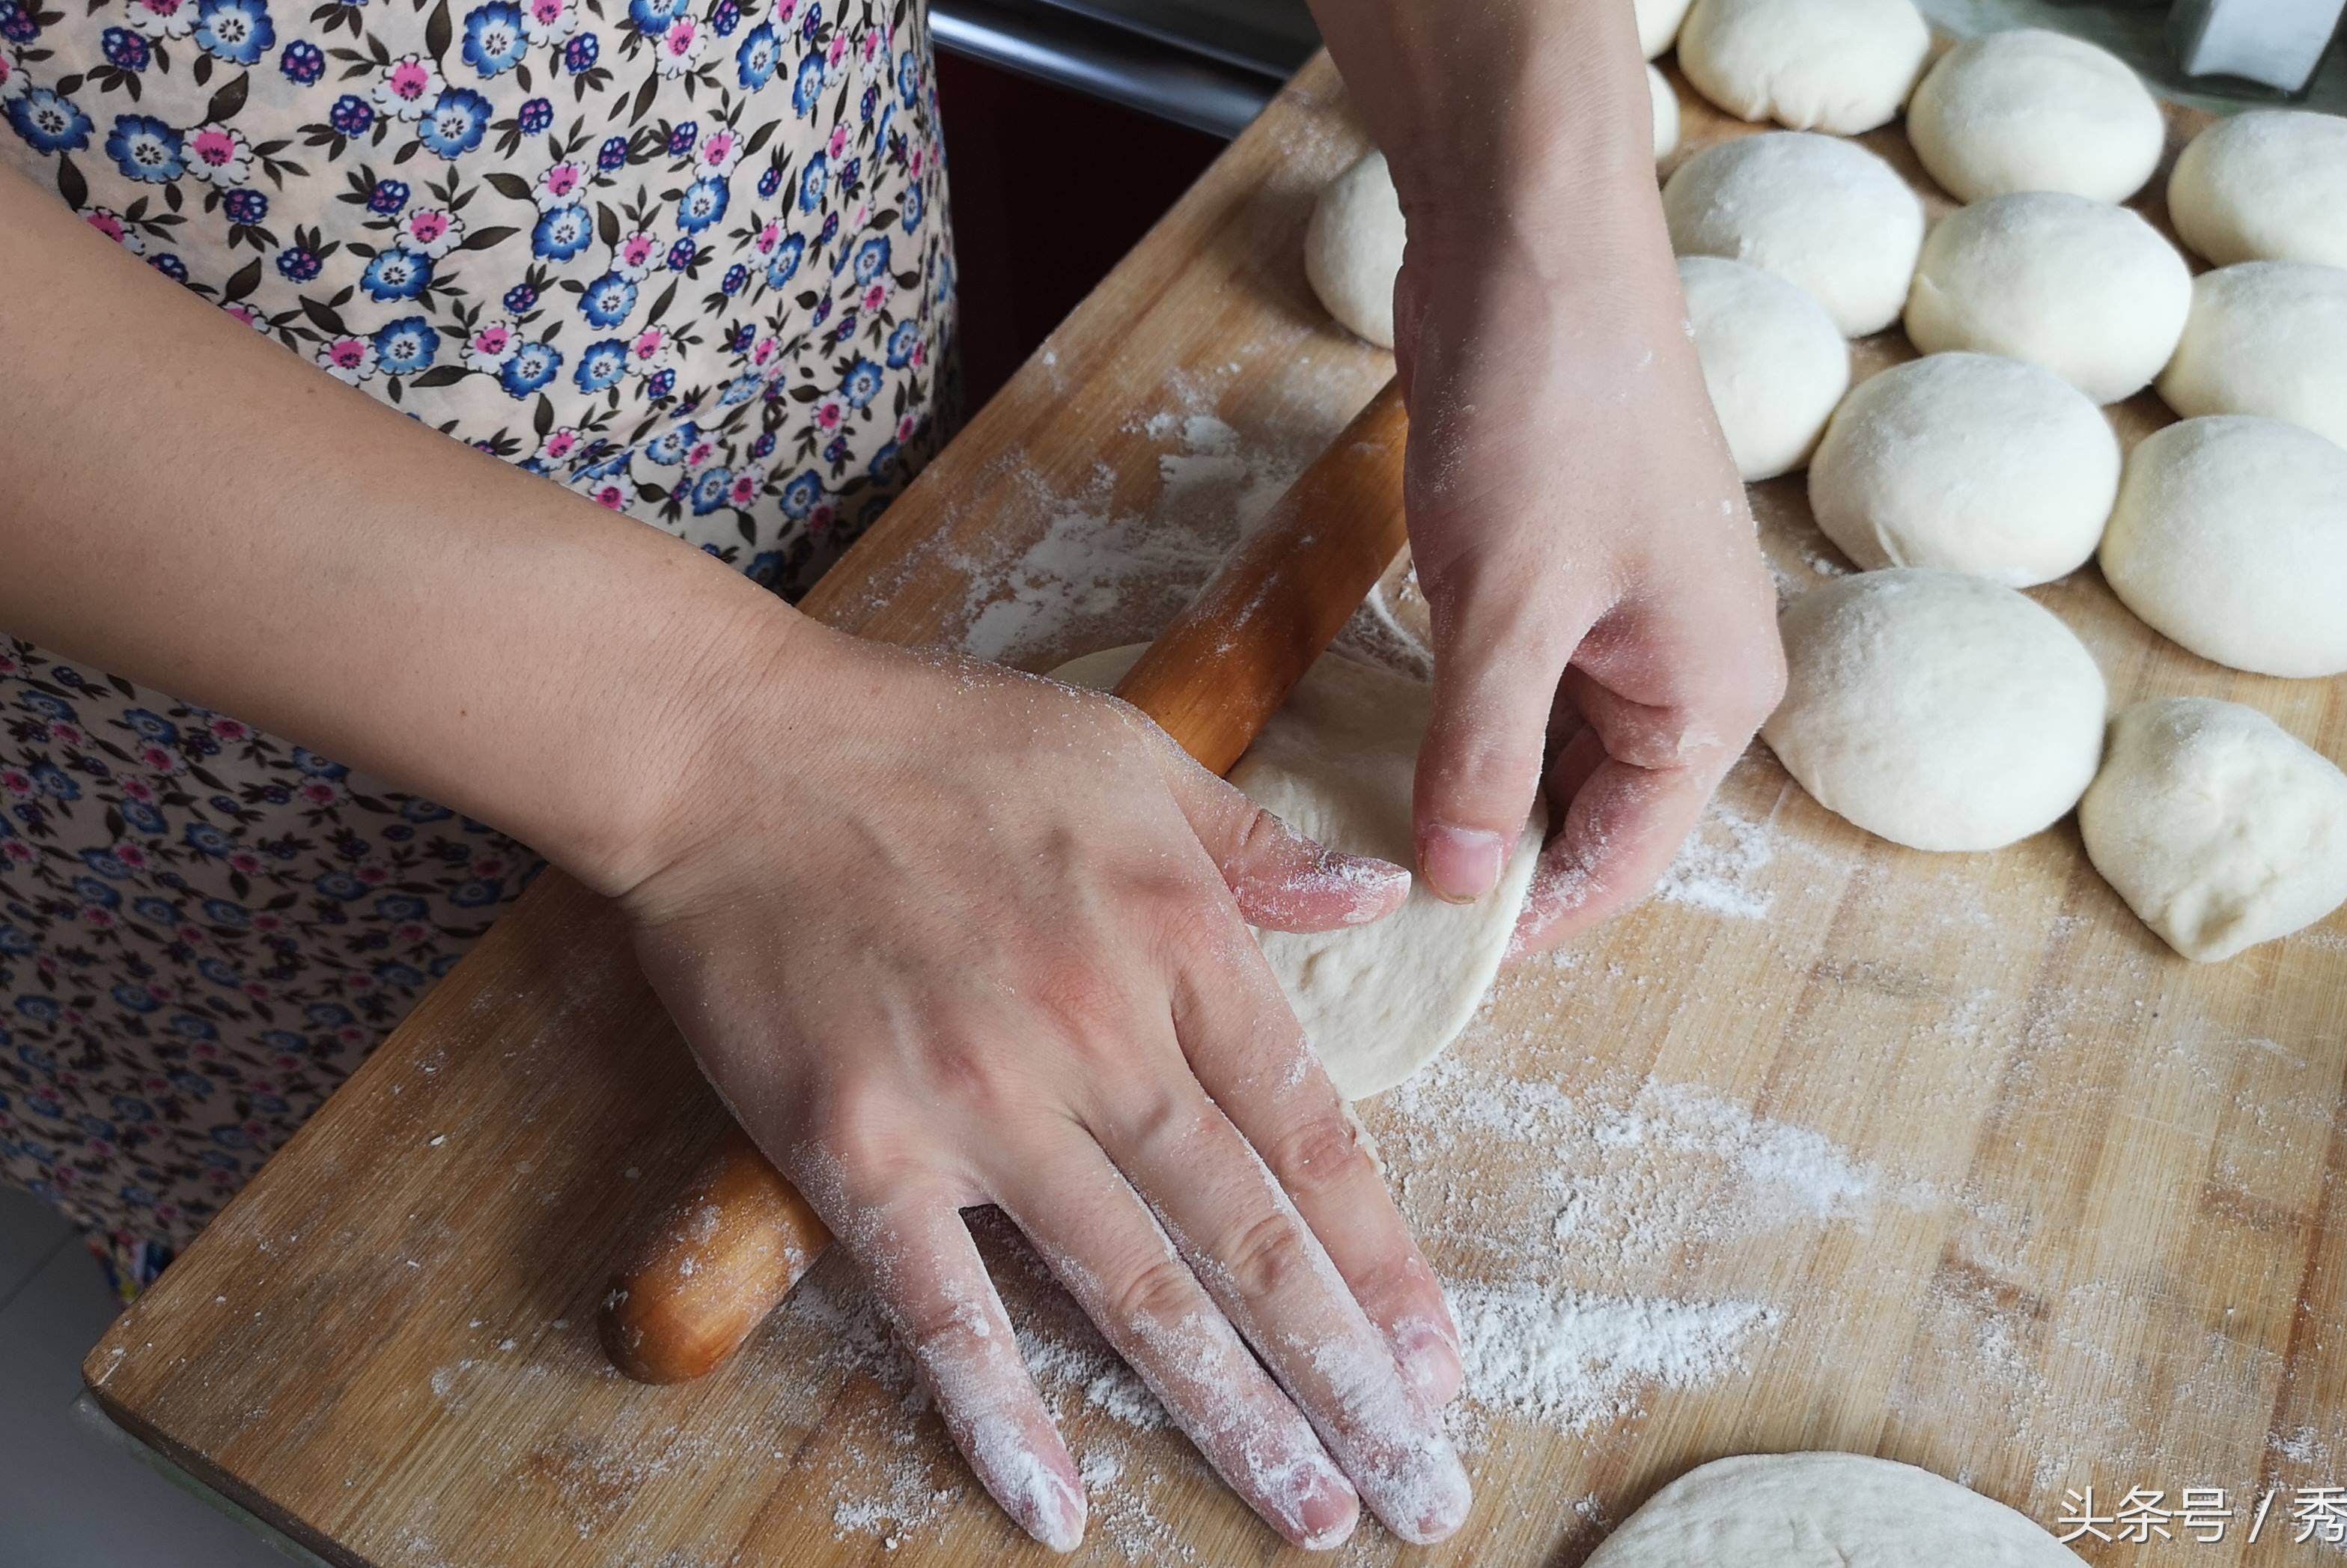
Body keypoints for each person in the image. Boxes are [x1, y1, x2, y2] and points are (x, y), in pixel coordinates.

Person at [0, 0, 1780, 1546]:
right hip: (226, 716)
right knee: (376, 1315)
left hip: (810, 402)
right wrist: (721, 748)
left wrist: (1547, 225)